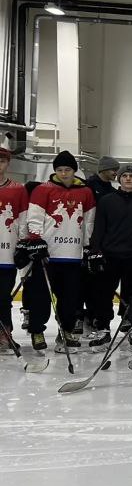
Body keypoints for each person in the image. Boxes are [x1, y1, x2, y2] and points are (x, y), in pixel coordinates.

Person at [23, 151, 96, 352]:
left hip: (72, 255)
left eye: (68, 170)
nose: (64, 173)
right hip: (48, 255)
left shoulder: (86, 192)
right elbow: (34, 217)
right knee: (40, 297)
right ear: (55, 171)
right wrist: (36, 241)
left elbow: (88, 222)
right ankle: (37, 330)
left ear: (74, 170)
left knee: (70, 299)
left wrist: (87, 246)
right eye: (60, 170)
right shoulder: (43, 190)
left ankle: (66, 330)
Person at [86, 163, 132, 349]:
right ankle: (103, 328)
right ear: (119, 178)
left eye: (131, 176)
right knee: (103, 294)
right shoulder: (107, 201)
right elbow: (99, 228)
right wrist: (95, 251)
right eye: (124, 176)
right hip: (109, 254)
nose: (128, 179)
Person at [0, 148, 28, 353]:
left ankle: (5, 333)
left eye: (2, 161)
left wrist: (23, 245)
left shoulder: (18, 189)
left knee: (3, 297)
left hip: (6, 254)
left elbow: (24, 219)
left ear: (8, 163)